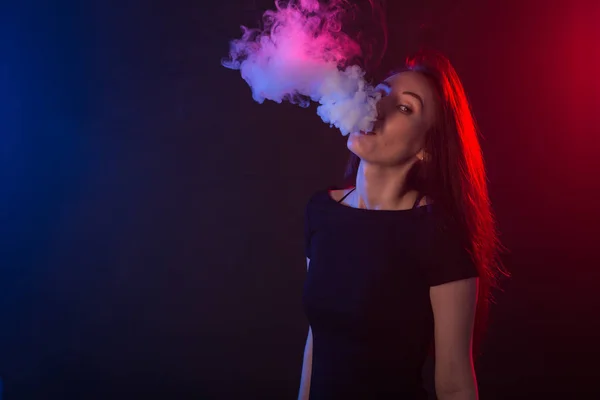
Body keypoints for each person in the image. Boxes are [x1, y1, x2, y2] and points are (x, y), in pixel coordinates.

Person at [298, 51, 505, 400]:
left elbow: (455, 386)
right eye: (381, 93)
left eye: (406, 107)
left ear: (425, 148)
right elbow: (317, 342)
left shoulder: (438, 233)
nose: (379, 107)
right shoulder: (321, 211)